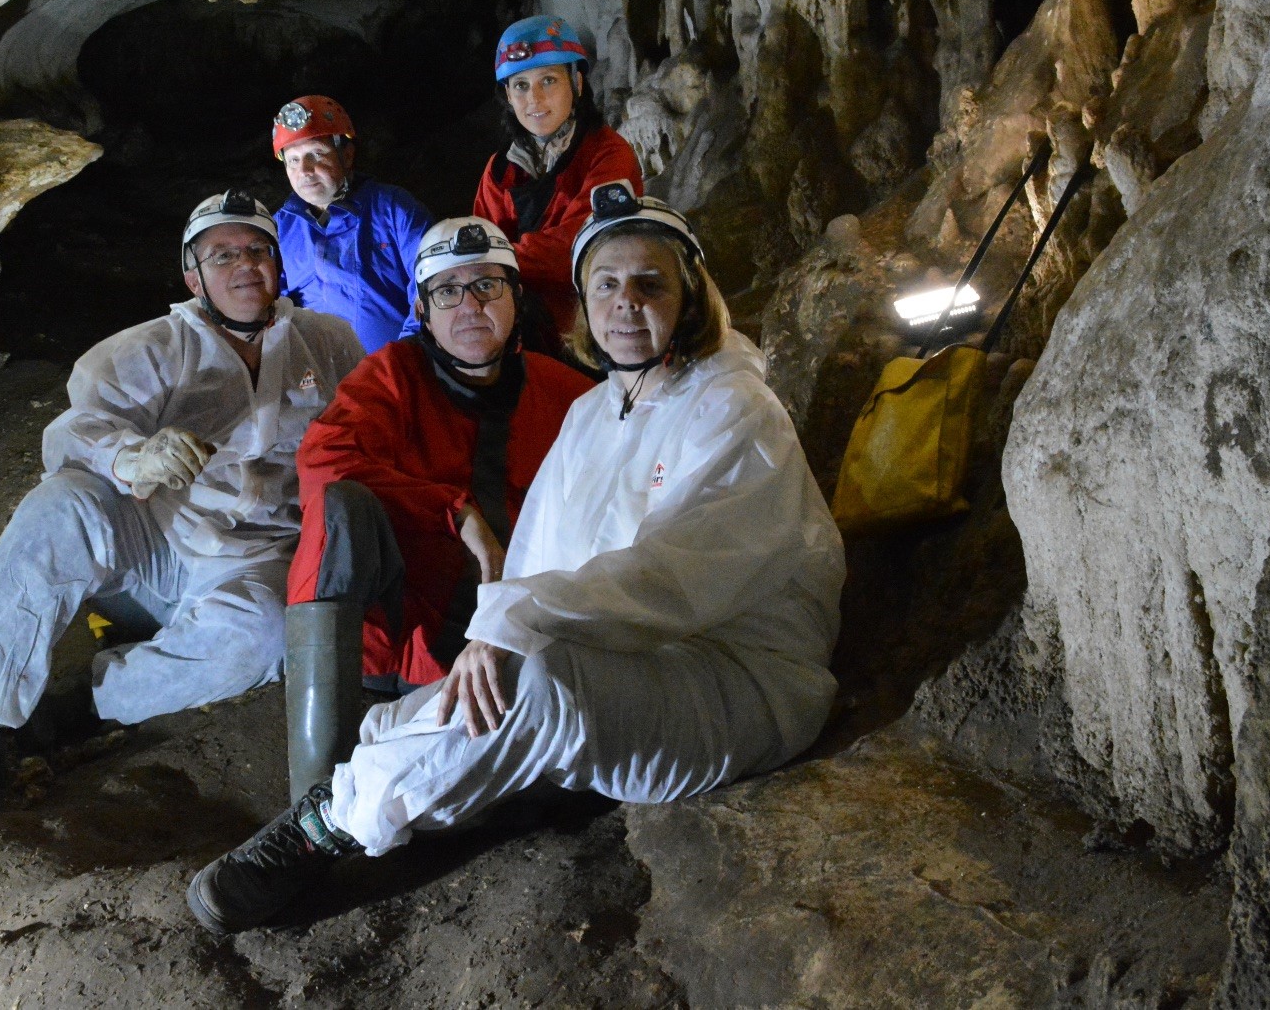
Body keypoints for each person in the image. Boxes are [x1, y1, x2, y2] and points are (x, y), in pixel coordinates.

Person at [186, 182, 845, 932]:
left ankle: (325, 827)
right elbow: (527, 549)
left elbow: (673, 575)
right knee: (452, 693)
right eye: (606, 283)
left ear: (691, 298)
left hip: (732, 675)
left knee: (535, 680)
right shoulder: (594, 411)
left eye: (650, 282)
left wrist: (509, 626)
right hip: (544, 640)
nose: (626, 301)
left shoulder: (731, 409)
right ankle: (361, 784)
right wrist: (471, 557)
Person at [0, 191, 365, 809]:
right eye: (222, 256)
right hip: (159, 536)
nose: (244, 265)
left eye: (256, 250)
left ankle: (74, 709)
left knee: (266, 638)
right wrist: (131, 456)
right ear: (193, 276)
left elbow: (365, 432)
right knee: (61, 507)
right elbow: (72, 434)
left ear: (278, 263)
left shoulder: (326, 343)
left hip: (258, 556)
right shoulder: (151, 348)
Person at [279, 216, 595, 800]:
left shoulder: (564, 393)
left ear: (515, 298)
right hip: (404, 634)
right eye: (447, 291)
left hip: (509, 637)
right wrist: (454, 512)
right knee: (341, 505)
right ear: (422, 309)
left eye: (487, 286)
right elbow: (323, 461)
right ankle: (313, 795)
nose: (468, 305)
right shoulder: (393, 377)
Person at [472, 15, 643, 351]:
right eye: (520, 85)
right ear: (507, 95)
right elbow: (482, 236)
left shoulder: (608, 155)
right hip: (523, 338)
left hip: (594, 337)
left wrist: (491, 266)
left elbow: (581, 246)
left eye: (548, 81)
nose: (534, 99)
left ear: (577, 84)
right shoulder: (500, 170)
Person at [271, 95, 435, 356]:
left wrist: (400, 361)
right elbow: (271, 309)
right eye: (293, 160)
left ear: (346, 156)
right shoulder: (279, 229)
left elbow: (431, 287)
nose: (304, 170)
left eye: (316, 154)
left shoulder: (393, 210)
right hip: (317, 384)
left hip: (394, 378)